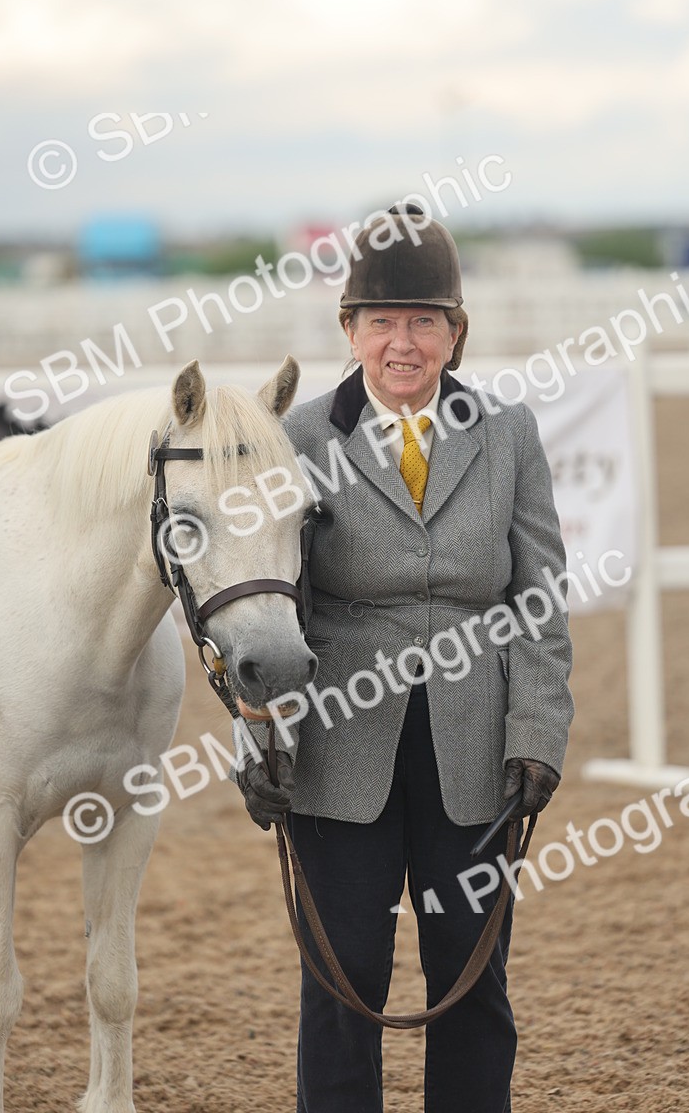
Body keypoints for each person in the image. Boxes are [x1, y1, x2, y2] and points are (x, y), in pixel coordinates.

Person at [235, 203, 574, 1113]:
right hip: (338, 750)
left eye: (426, 321)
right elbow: (266, 610)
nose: (403, 342)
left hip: (477, 749)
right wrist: (258, 738)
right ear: (349, 329)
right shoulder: (298, 441)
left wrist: (538, 730)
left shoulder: (509, 436)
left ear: (456, 335)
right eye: (382, 321)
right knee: (344, 984)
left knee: (473, 980)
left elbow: (538, 598)